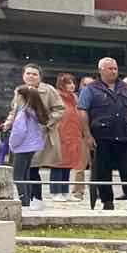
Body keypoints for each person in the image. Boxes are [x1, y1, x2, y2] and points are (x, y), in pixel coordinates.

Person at [76, 58, 127, 210]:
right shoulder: (91, 89)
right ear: (100, 70)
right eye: (110, 68)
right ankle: (107, 202)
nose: (113, 71)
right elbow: (82, 111)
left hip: (125, 136)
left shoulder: (125, 87)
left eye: (115, 68)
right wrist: (87, 135)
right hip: (102, 137)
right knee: (103, 171)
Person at [3, 65, 66, 203]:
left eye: (34, 74)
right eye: (28, 73)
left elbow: (60, 109)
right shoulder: (19, 91)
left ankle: (35, 198)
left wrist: (47, 122)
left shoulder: (48, 90)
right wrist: (8, 123)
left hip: (41, 134)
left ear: (40, 77)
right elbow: (14, 111)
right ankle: (28, 199)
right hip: (22, 135)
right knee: (26, 169)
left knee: (33, 169)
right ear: (23, 75)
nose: (31, 76)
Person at [6, 84, 49, 207]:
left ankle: (23, 202)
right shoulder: (32, 112)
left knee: (18, 176)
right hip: (31, 147)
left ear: (21, 97)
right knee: (25, 174)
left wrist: (12, 144)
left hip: (22, 147)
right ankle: (27, 200)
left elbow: (19, 132)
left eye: (16, 95)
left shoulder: (23, 113)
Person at [50, 73, 87, 202]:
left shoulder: (75, 98)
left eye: (73, 83)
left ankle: (64, 191)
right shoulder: (56, 97)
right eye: (68, 83)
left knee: (68, 164)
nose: (72, 85)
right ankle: (55, 191)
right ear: (62, 84)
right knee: (57, 164)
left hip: (73, 135)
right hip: (59, 134)